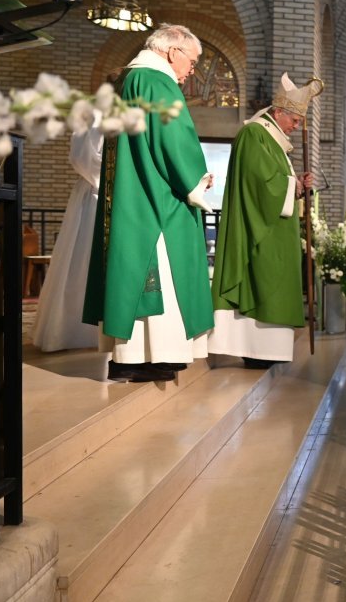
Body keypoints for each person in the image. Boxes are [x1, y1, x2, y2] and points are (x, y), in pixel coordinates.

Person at [83, 24, 213, 384]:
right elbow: (173, 138)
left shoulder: (128, 79)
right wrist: (196, 178)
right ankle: (150, 358)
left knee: (134, 271)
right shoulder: (156, 81)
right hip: (155, 200)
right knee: (158, 271)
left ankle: (134, 357)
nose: (192, 70)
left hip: (134, 192)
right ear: (173, 52)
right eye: (193, 60)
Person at [210, 73, 322, 368]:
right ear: (278, 112)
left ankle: (266, 351)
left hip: (275, 228)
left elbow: (275, 180)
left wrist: (296, 183)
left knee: (274, 282)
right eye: (294, 120)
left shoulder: (273, 139)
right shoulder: (254, 134)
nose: (297, 127)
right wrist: (292, 186)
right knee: (260, 281)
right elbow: (259, 182)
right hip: (259, 228)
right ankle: (254, 350)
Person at [33, 124, 104, 351]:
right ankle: (73, 330)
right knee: (81, 259)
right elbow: (81, 156)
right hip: (95, 193)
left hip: (114, 192)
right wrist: (115, 174)